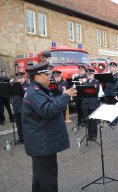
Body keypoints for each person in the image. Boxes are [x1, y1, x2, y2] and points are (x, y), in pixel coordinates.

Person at [22, 62, 77, 192]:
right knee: (48, 180)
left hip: (41, 143)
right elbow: (47, 110)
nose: (49, 77)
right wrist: (65, 96)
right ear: (37, 76)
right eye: (46, 74)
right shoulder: (35, 93)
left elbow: (51, 103)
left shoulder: (38, 89)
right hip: (42, 144)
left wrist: (62, 97)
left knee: (40, 179)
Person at [82, 68, 100, 141]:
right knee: (87, 120)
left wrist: (85, 84)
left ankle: (94, 135)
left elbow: (95, 91)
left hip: (93, 103)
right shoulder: (85, 82)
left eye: (90, 74)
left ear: (93, 74)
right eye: (88, 74)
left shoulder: (96, 82)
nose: (89, 76)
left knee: (93, 120)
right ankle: (89, 135)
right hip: (85, 103)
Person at [12, 72, 29, 144]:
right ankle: (21, 138)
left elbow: (26, 95)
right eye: (18, 78)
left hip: (23, 108)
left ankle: (26, 139)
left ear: (24, 78)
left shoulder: (27, 85)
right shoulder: (14, 86)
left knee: (25, 124)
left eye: (21, 78)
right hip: (16, 107)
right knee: (18, 124)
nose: (20, 80)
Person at [104, 62, 118, 126]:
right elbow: (104, 84)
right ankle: (110, 119)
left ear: (116, 68)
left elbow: (114, 80)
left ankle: (115, 121)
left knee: (115, 108)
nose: (112, 68)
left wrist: (108, 75)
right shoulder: (108, 74)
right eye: (111, 67)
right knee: (109, 108)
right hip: (107, 93)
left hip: (114, 94)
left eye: (113, 67)